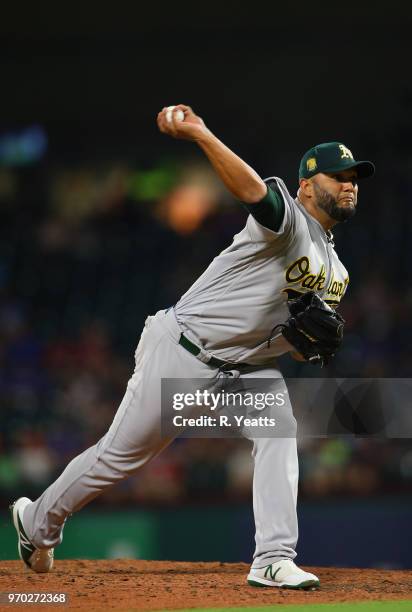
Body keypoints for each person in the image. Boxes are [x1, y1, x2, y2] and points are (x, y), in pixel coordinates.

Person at [10, 104, 374, 589]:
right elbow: (254, 193)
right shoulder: (286, 222)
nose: (349, 183)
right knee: (118, 458)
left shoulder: (338, 274)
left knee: (280, 429)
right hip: (183, 350)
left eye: (354, 177)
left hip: (245, 369)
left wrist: (311, 348)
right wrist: (202, 134)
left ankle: (273, 557)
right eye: (338, 175)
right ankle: (37, 523)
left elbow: (297, 347)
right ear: (307, 185)